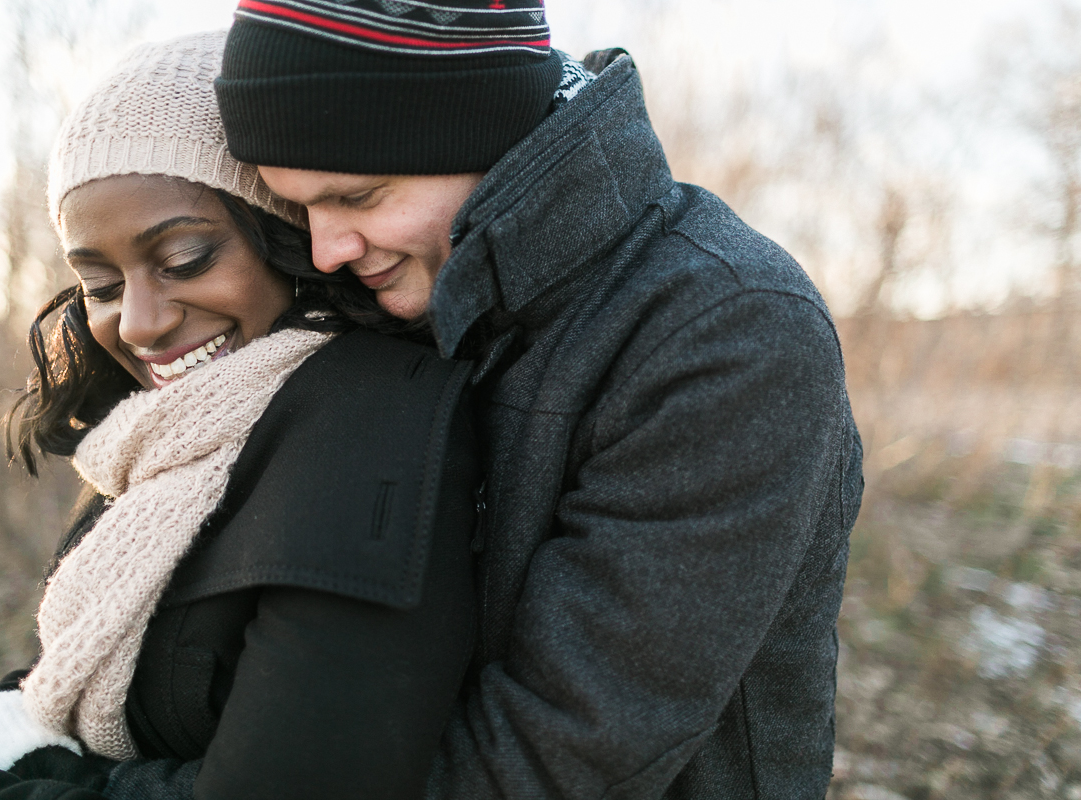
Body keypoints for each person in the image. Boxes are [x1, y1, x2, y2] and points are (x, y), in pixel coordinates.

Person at [213, 2, 866, 798]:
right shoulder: (404, 292)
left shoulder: (728, 329)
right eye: (298, 206)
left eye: (357, 196)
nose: (327, 249)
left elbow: (558, 759)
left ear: (484, 132)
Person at [0, 31, 479, 800]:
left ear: (289, 238)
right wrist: (1, 720)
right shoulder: (168, 433)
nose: (136, 323)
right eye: (100, 284)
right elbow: (121, 663)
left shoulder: (375, 429)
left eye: (185, 259)